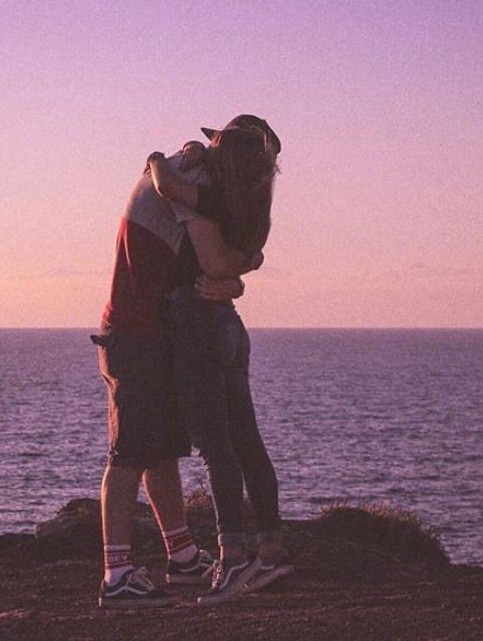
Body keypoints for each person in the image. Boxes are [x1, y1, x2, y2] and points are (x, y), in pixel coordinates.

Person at [92, 132, 261, 609]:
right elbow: (215, 261)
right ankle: (117, 577)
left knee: (160, 450)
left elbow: (201, 266)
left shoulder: (182, 170)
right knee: (128, 454)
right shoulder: (191, 176)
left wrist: (233, 280)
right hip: (136, 331)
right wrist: (244, 268)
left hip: (148, 329)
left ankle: (182, 556)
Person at [148, 115, 293, 605]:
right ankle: (271, 552)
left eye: (216, 141)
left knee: (216, 448)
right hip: (228, 324)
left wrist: (155, 158)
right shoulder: (249, 205)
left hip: (197, 323)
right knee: (247, 441)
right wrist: (239, 277)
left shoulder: (209, 197)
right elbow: (251, 256)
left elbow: (165, 185)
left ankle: (232, 560)